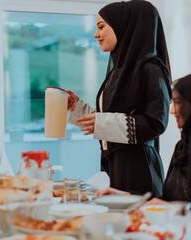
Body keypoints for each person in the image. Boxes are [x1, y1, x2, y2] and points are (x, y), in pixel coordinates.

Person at [67, 0, 171, 197]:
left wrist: (103, 121)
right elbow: (111, 119)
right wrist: (78, 108)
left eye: (101, 27)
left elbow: (156, 123)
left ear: (124, 27)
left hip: (139, 169)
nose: (96, 34)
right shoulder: (118, 71)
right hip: (114, 166)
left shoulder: (151, 68)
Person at [96, 74, 191, 203]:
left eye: (178, 102)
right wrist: (127, 197)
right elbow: (166, 201)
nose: (172, 111)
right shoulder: (182, 146)